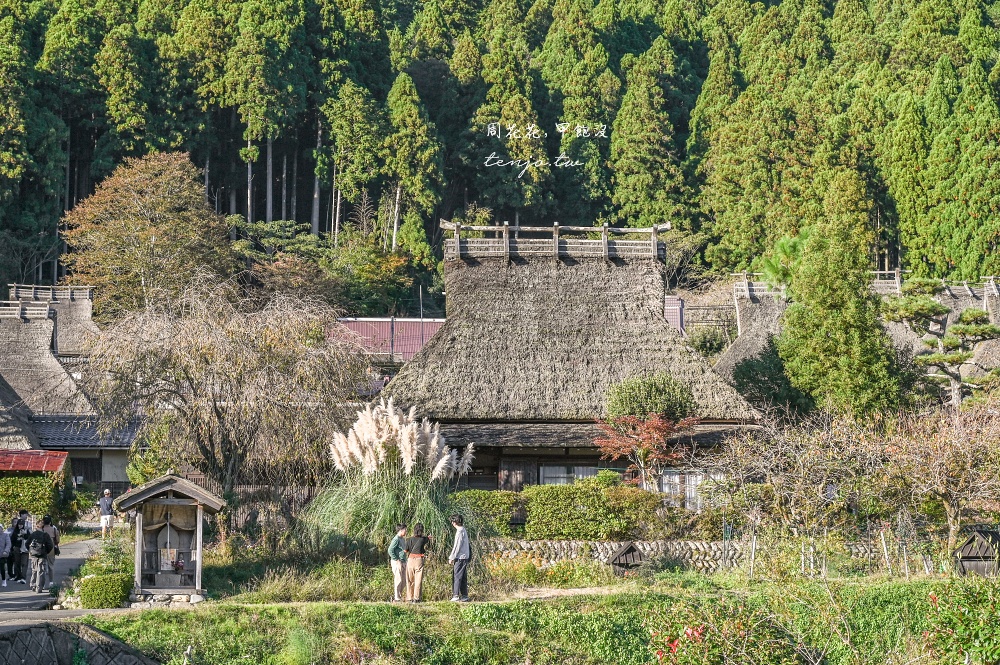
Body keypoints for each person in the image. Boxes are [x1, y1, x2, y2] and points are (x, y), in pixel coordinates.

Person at [403, 523, 431, 603]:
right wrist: (427, 537)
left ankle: (409, 598)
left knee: (409, 580)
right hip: (419, 560)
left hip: (411, 559)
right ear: (422, 531)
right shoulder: (423, 539)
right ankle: (416, 598)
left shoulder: (409, 539)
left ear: (414, 530)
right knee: (418, 580)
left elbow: (405, 551)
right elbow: (426, 538)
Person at [448, 514, 471, 602]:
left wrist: (452, 557)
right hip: (465, 556)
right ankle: (464, 595)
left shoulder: (459, 532)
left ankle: (456, 595)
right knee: (463, 576)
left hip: (460, 557)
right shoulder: (463, 529)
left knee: (457, 576)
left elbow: (457, 546)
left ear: (454, 522)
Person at [24, 524, 53, 593]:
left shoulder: (33, 534)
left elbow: (27, 543)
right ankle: (39, 587)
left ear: (36, 527)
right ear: (43, 527)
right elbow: (50, 545)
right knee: (41, 571)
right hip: (42, 555)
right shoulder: (45, 535)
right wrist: (46, 551)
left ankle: (33, 584)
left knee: (34, 570)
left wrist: (30, 551)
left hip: (33, 555)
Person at [387, 524, 408, 602]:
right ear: (401, 530)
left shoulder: (402, 539)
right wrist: (397, 560)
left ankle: (399, 596)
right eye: (405, 530)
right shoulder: (396, 539)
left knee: (404, 581)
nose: (406, 531)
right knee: (398, 579)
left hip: (403, 561)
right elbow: (390, 550)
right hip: (397, 562)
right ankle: (397, 598)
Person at [41, 515, 59, 589]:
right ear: (50, 521)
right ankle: (51, 582)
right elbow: (57, 540)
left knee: (42, 567)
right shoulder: (54, 529)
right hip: (51, 549)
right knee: (51, 566)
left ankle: (42, 583)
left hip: (42, 549)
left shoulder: (41, 529)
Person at [14, 511, 29, 584]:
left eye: (21, 524)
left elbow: (29, 538)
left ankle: (23, 577)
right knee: (17, 563)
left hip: (25, 549)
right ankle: (19, 576)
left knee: (24, 564)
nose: (20, 526)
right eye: (19, 524)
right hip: (17, 549)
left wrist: (24, 535)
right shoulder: (15, 531)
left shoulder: (26, 530)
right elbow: (12, 540)